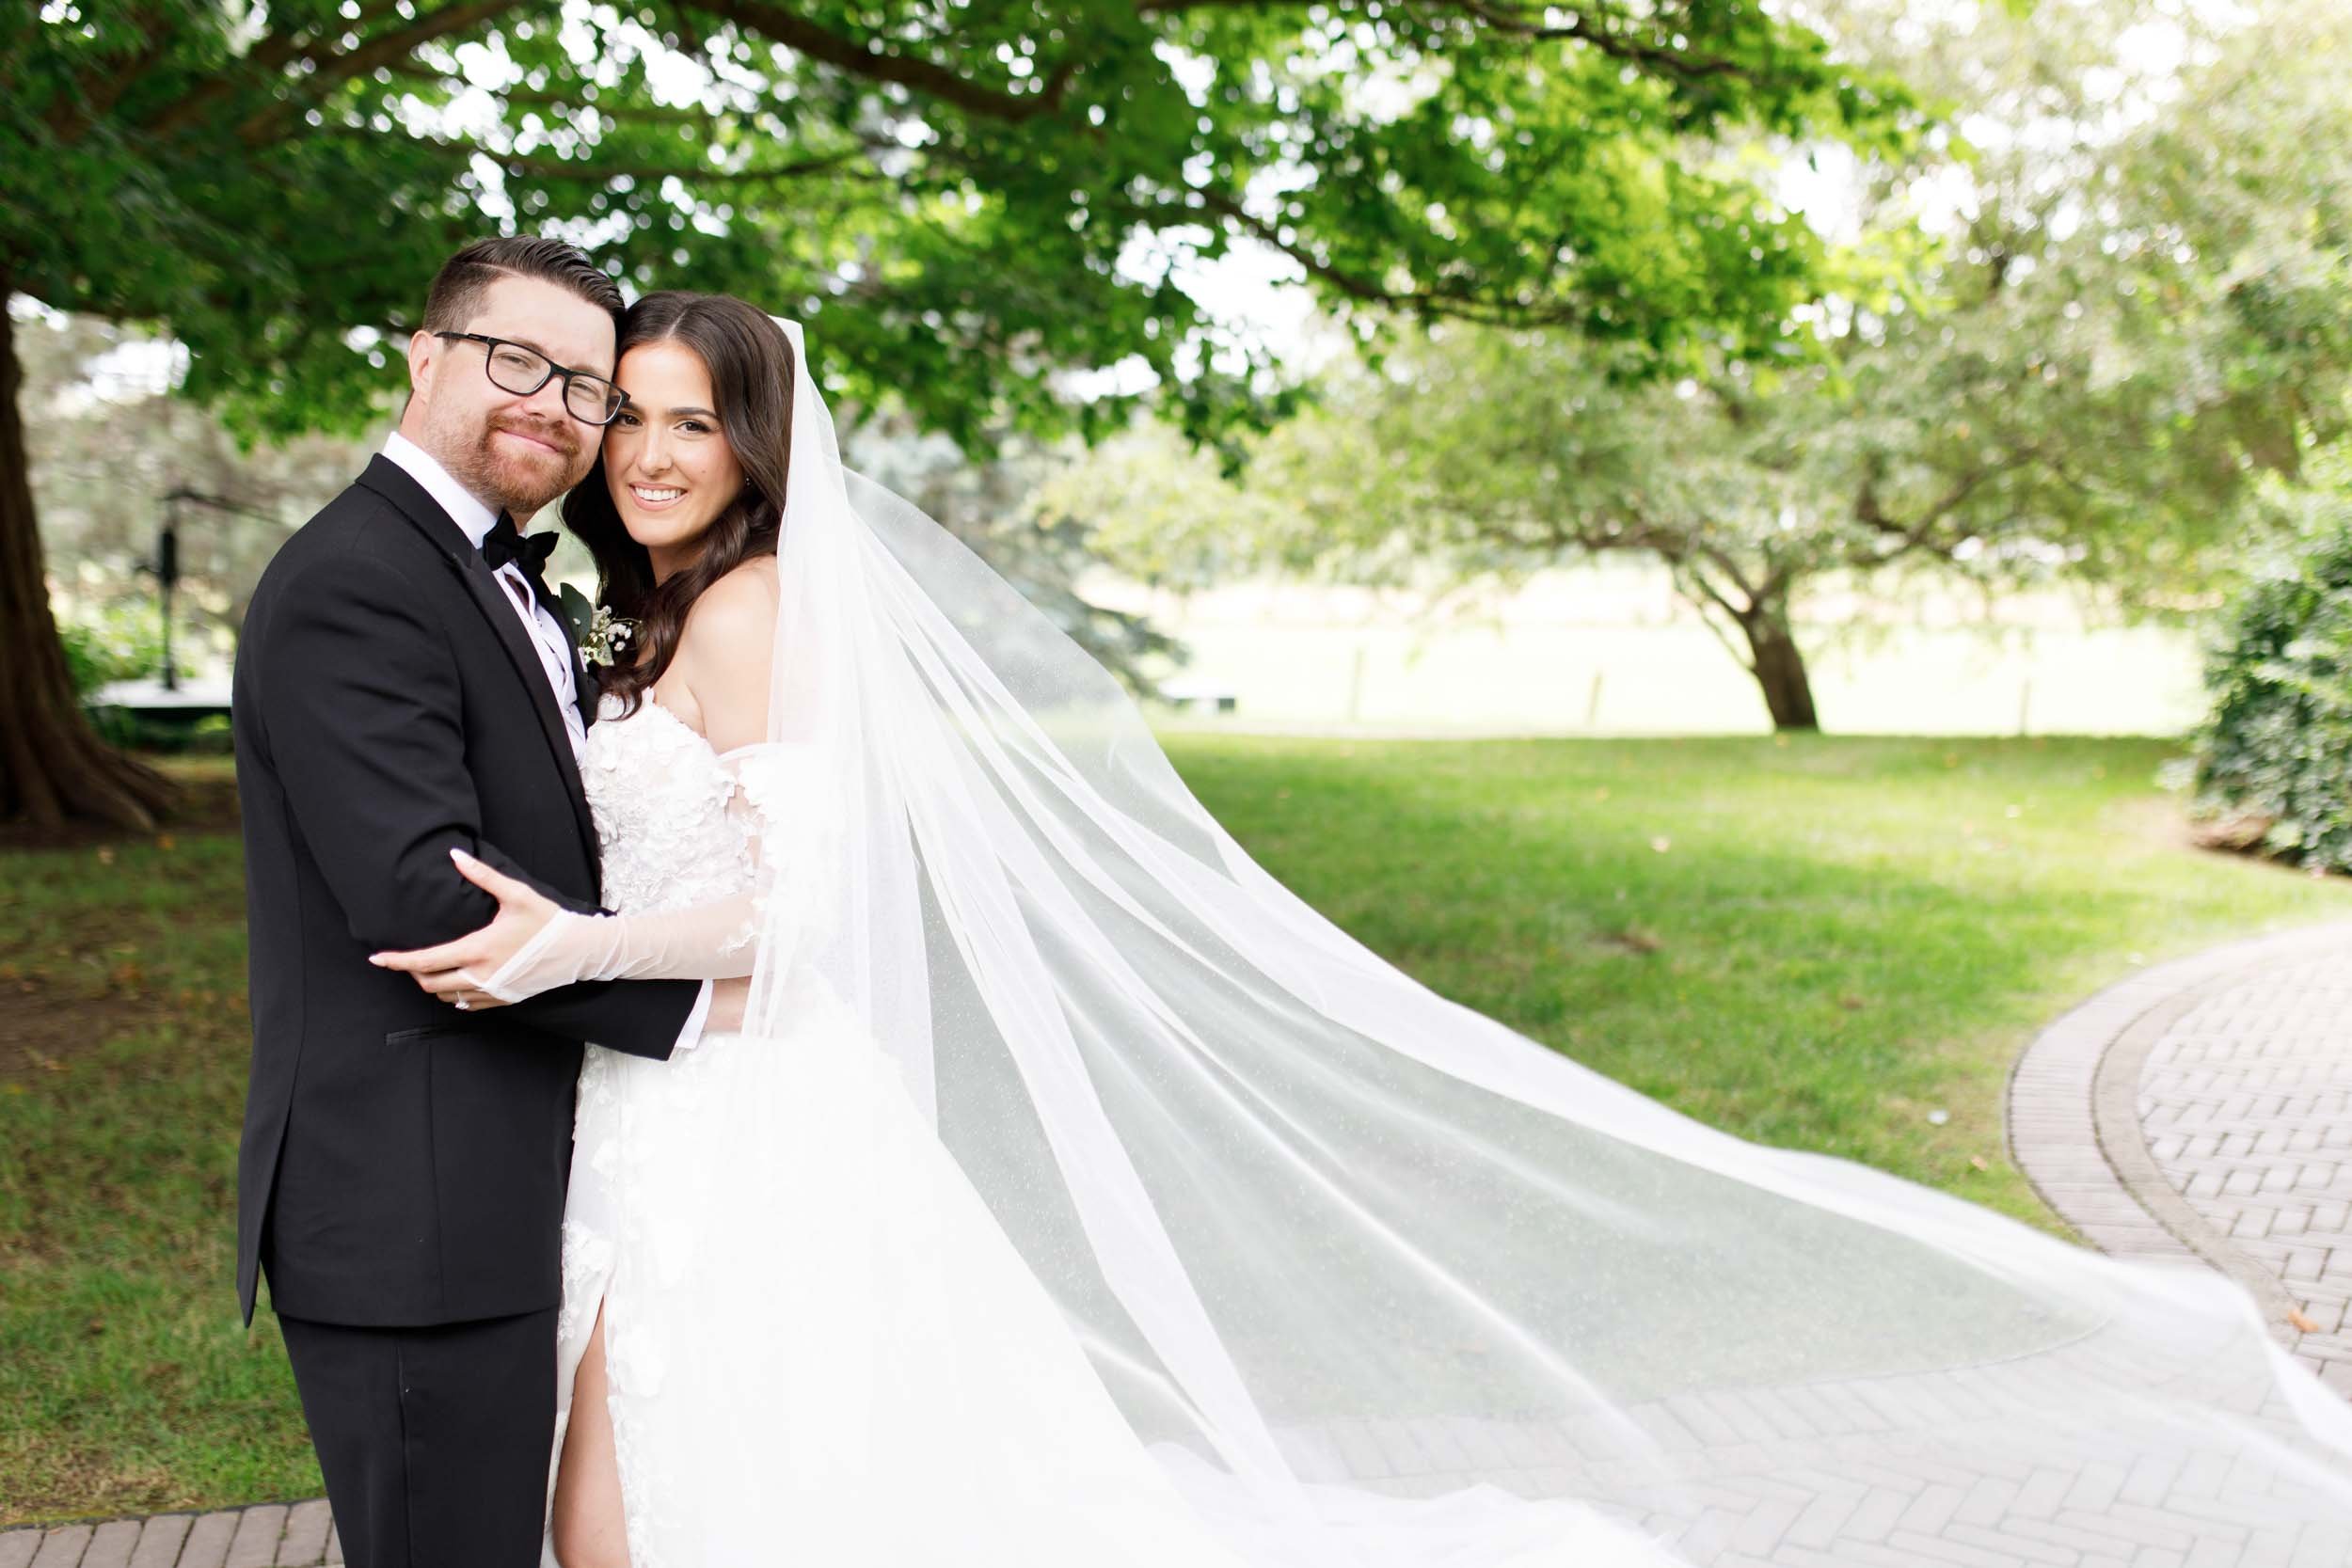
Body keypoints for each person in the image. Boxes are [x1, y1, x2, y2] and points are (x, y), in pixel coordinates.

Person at [376, 293, 2352, 1566]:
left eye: (688, 426)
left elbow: (797, 912)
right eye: (626, 413)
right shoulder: (650, 613)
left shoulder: (748, 607)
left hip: (750, 1112)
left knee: (641, 1494)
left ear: (754, 451)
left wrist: (570, 949)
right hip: (658, 1114)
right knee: (684, 1479)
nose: (643, 450)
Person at [231, 239, 727, 1568]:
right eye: (517, 361)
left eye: (585, 388)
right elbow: (428, 904)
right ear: (424, 356)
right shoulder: (355, 582)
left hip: (524, 1187)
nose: (552, 407)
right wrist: (718, 1006)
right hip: (415, 1214)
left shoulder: (511, 579)